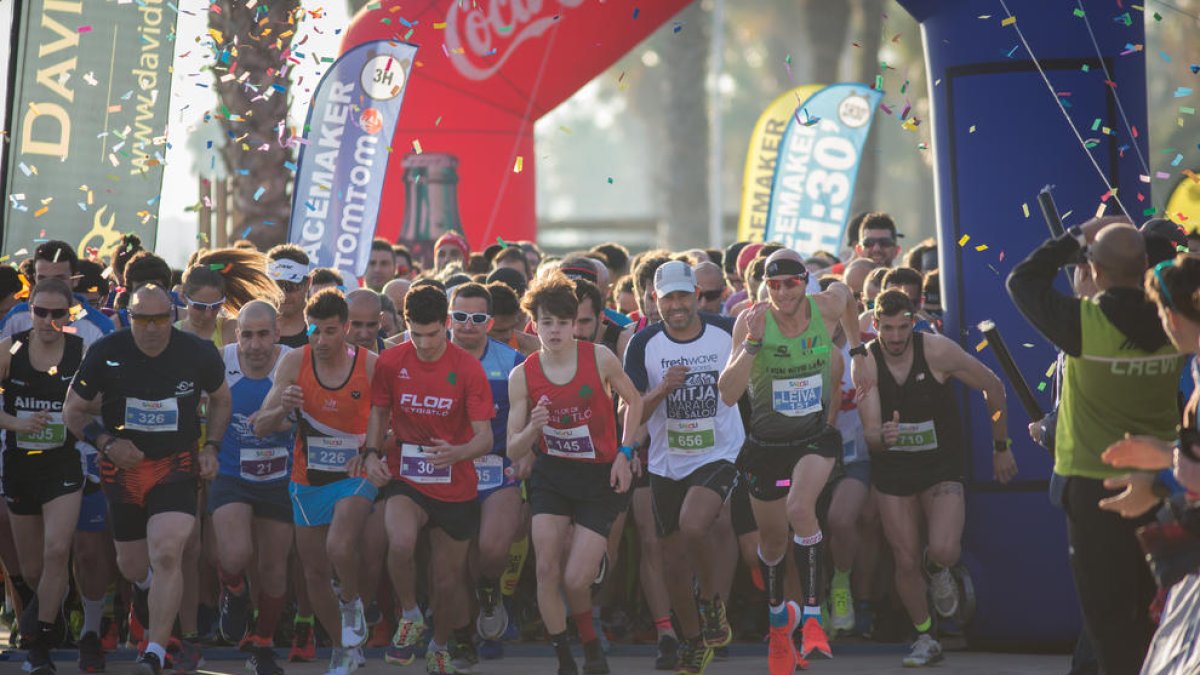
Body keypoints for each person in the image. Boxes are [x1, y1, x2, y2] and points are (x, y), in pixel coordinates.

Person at [1007, 217, 1185, 675]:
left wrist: (1078, 236)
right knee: (1155, 607)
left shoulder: (1083, 322)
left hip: (1091, 485)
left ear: (1095, 271)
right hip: (1163, 484)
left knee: (1106, 621)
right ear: (1145, 265)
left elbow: (1022, 279)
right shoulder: (1175, 324)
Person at [63, 284, 231, 675]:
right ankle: (147, 590)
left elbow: (221, 398)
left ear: (172, 317)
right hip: (123, 468)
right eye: (142, 319)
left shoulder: (197, 352)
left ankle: (155, 649)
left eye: (159, 319)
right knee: (133, 565)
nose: (152, 328)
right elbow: (73, 410)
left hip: (176, 464)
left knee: (169, 551)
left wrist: (213, 448)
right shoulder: (107, 351)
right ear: (130, 317)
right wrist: (105, 443)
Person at [717, 249, 866, 673]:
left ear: (805, 282)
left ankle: (814, 618)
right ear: (765, 285)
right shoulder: (751, 320)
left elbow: (848, 297)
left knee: (801, 509)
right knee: (772, 544)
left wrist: (860, 353)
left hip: (813, 439)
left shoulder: (828, 306)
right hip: (765, 447)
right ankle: (783, 619)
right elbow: (727, 394)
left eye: (792, 283)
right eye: (774, 284)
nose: (782, 292)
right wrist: (752, 345)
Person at [856, 289, 1017, 667]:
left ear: (914, 322)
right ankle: (926, 635)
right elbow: (871, 436)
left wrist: (1001, 446)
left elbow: (993, 386)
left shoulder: (937, 350)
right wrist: (882, 436)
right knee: (905, 558)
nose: (895, 337)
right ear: (875, 325)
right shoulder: (864, 362)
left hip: (940, 465)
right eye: (887, 329)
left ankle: (939, 569)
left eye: (902, 327)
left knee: (943, 549)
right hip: (893, 469)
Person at [506, 272, 644, 675]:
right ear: (534, 323)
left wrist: (624, 451)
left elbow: (633, 402)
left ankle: (590, 642)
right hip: (552, 475)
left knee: (575, 578)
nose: (554, 331)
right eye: (546, 322)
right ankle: (567, 658)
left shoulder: (599, 358)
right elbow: (514, 449)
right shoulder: (523, 375)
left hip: (599, 477)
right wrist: (533, 428)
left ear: (575, 324)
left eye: (563, 323)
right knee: (546, 569)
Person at [355, 284, 495, 674]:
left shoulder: (468, 368)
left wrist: (457, 453)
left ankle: (440, 645)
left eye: (432, 334)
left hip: (455, 483)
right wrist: (370, 454)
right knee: (399, 542)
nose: (424, 343)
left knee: (447, 580)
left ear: (446, 325)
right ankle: (411, 614)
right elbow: (379, 413)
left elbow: (485, 437)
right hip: (407, 475)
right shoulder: (391, 361)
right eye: (416, 334)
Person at [623, 261, 743, 674]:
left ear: (696, 294)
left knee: (695, 524)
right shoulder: (643, 343)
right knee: (672, 561)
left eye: (683, 296)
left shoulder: (726, 332)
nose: (676, 305)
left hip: (720, 453)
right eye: (668, 298)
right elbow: (633, 413)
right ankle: (693, 641)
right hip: (667, 461)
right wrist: (662, 389)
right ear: (655, 301)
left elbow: (753, 380)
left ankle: (711, 604)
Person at [254, 289, 379, 675]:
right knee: (313, 573)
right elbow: (261, 426)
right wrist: (282, 406)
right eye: (314, 331)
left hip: (355, 474)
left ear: (345, 329)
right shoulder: (294, 362)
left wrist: (373, 451)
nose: (321, 341)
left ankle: (352, 602)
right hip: (307, 478)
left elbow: (388, 422)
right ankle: (342, 649)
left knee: (340, 545)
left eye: (329, 331)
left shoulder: (371, 365)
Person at [0, 280, 86, 675]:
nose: (49, 321)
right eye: (41, 312)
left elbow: (100, 400)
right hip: (21, 466)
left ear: (70, 314)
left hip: (62, 466)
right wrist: (16, 422)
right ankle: (56, 606)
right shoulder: (10, 349)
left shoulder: (81, 352)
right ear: (28, 310)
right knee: (35, 569)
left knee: (56, 551)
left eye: (58, 314)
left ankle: (37, 642)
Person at [208, 301, 295, 675]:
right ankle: (236, 590)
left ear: (277, 333)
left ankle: (262, 642)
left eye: (264, 334)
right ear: (236, 334)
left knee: (274, 567)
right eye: (247, 335)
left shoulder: (292, 361)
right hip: (232, 474)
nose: (256, 344)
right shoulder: (221, 360)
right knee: (234, 555)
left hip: (281, 479)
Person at [444, 283, 527, 658]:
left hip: (498, 469)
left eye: (477, 318)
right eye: (460, 317)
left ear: (490, 322)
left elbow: (526, 420)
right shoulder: (433, 356)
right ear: (449, 319)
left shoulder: (511, 363)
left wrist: (527, 454)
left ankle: (490, 590)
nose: (468, 325)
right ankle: (463, 632)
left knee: (492, 550)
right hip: (447, 469)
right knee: (456, 560)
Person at [0, 240, 115, 344]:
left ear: (75, 279)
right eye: (42, 278)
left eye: (58, 279)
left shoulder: (100, 326)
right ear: (34, 278)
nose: (50, 286)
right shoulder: (16, 317)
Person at [267, 245, 313, 348]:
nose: (283, 295)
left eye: (291, 286)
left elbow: (350, 353)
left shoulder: (317, 327)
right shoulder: (256, 323)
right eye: (277, 286)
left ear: (308, 284)